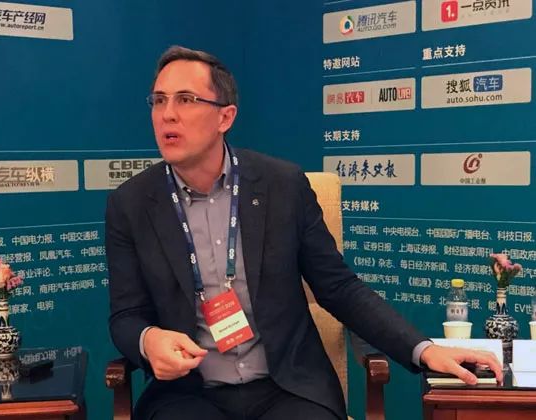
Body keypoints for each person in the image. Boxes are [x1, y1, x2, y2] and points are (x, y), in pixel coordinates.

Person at [105, 45, 502, 420]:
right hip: (189, 395)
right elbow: (126, 315)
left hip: (286, 387)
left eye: (185, 99)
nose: (167, 114)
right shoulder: (131, 204)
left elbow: (339, 288)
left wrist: (424, 350)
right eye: (159, 100)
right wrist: (148, 339)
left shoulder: (282, 186)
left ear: (225, 117)